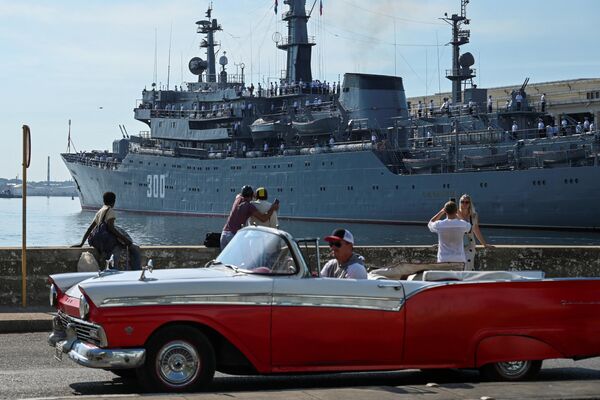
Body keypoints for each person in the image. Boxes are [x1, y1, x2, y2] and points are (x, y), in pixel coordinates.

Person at [74, 191, 141, 270]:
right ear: (114, 201)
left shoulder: (100, 211)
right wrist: (125, 240)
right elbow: (111, 228)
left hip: (100, 243)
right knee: (134, 249)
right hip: (109, 243)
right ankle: (136, 271)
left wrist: (81, 243)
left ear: (103, 201)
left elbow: (90, 229)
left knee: (110, 260)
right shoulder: (110, 211)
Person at [220, 185, 279, 250]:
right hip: (233, 236)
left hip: (224, 234)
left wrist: (252, 195)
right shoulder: (249, 206)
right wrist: (272, 208)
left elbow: (239, 194)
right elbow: (263, 218)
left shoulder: (238, 198)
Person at [428, 201, 471, 266]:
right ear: (456, 211)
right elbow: (469, 226)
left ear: (445, 211)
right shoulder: (462, 225)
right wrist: (459, 214)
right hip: (459, 258)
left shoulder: (439, 225)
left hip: (443, 258)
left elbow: (430, 224)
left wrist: (441, 212)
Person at [457, 194, 494, 271]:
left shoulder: (474, 215)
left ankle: (468, 280)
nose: (464, 204)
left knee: (468, 262)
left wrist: (484, 244)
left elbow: (476, 230)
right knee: (459, 265)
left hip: (470, 243)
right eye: (462, 202)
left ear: (470, 203)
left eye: (466, 202)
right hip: (457, 244)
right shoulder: (455, 214)